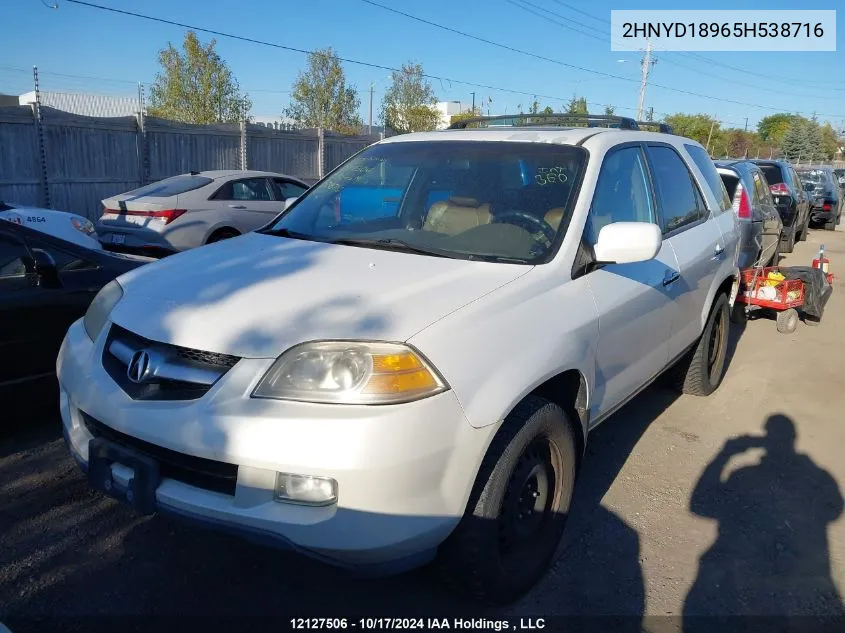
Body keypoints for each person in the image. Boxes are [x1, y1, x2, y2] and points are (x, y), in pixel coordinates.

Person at [684, 414, 844, 629]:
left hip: (738, 574)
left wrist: (725, 454)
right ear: (794, 438)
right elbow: (834, 509)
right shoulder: (820, 476)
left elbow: (699, 507)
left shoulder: (743, 475)